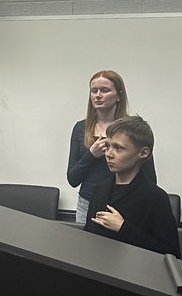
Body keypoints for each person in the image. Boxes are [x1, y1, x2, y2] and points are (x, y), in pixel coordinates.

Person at [67, 69, 156, 225]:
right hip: (87, 203)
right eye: (94, 91)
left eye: (105, 90)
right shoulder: (81, 128)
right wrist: (91, 155)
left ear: (118, 96)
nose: (98, 95)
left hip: (124, 203)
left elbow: (150, 177)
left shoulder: (132, 129)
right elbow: (73, 179)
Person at [85, 116, 179, 257]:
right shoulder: (100, 190)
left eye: (118, 148)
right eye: (107, 146)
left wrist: (123, 228)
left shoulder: (155, 197)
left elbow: (171, 252)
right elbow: (88, 235)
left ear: (143, 153)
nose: (109, 154)